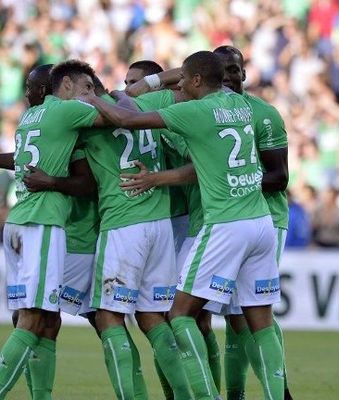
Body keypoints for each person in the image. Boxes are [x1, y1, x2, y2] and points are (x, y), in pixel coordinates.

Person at [82, 50, 284, 400]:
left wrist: (94, 98)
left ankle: (207, 397)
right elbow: (203, 165)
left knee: (179, 314)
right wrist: (160, 177)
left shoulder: (195, 111)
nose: (179, 87)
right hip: (262, 222)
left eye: (183, 81)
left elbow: (126, 120)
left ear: (193, 81)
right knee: (261, 321)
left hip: (225, 224)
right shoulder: (242, 107)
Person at [81, 76, 192, 399]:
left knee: (108, 316)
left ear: (85, 88)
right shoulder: (148, 104)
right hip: (160, 224)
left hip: (123, 223)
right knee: (152, 316)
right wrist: (145, 84)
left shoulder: (83, 114)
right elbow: (185, 79)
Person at [0, 60, 100, 399]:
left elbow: (23, 158)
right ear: (66, 86)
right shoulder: (64, 111)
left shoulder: (30, 118)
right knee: (32, 318)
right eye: (85, 87)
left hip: (16, 225)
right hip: (40, 224)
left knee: (45, 320)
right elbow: (114, 117)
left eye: (32, 86)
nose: (28, 92)